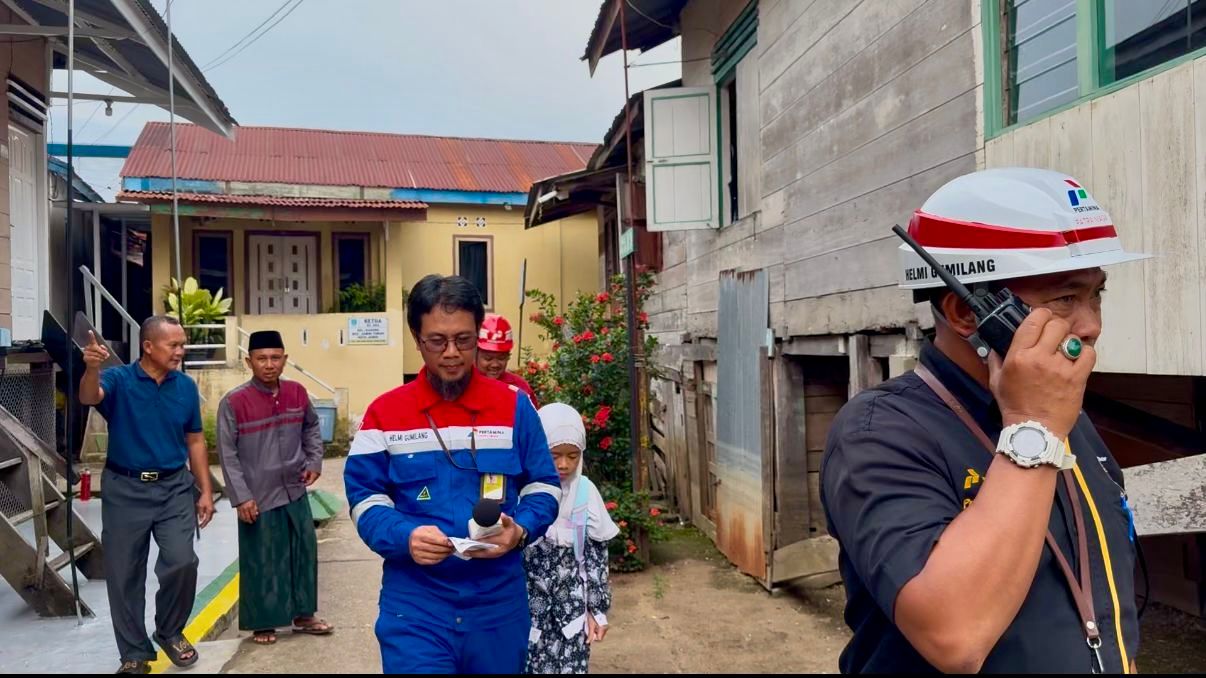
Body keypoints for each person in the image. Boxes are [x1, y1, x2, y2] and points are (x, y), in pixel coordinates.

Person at [820, 167, 1147, 673]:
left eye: (1096, 294)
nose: (1091, 325)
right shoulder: (879, 433)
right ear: (967, 312)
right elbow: (955, 635)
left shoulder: (1068, 420)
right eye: (1065, 299)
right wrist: (1032, 430)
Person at [343, 274, 562, 674]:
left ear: (477, 334)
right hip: (416, 607)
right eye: (437, 341)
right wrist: (404, 536)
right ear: (417, 338)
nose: (451, 353)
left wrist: (521, 530)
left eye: (463, 340)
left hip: (497, 608)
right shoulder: (384, 414)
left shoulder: (516, 408)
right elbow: (364, 499)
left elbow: (544, 485)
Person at [79, 316, 215, 674]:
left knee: (182, 561)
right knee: (124, 573)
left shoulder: (185, 387)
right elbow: (89, 396)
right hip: (125, 489)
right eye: (174, 345)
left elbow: (195, 440)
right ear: (149, 346)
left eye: (183, 344)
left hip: (174, 487)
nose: (181, 351)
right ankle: (134, 654)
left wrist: (206, 490)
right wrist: (91, 368)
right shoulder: (119, 379)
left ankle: (169, 631)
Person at [217, 330, 334, 646]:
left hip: (295, 488)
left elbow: (311, 426)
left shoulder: (297, 393)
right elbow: (227, 454)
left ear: (284, 359)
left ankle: (304, 615)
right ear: (249, 362)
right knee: (263, 558)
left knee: (303, 551)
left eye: (275, 358)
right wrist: (241, 497)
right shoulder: (234, 402)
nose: (269, 364)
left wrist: (314, 461)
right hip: (258, 493)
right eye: (261, 358)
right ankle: (263, 622)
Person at [525, 403, 617, 674]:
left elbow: (596, 560)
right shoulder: (523, 491)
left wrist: (597, 611)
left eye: (573, 456)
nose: (564, 464)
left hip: (571, 616)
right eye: (554, 455)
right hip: (526, 613)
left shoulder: (585, 493)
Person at [476, 313, 539, 406]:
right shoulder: (461, 386)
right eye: (488, 358)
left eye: (501, 358)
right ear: (474, 354)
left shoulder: (520, 388)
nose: (495, 364)